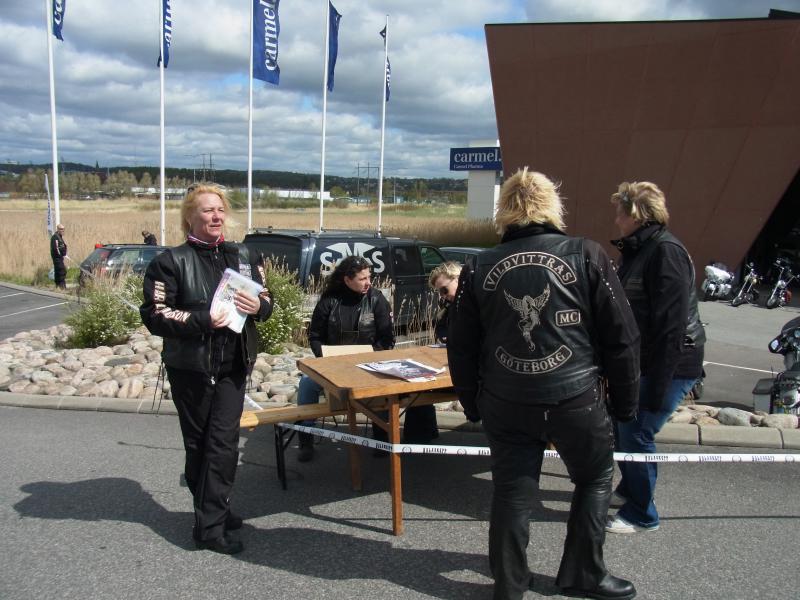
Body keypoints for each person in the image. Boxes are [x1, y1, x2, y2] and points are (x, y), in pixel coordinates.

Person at [448, 167, 641, 600]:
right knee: (594, 479)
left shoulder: (478, 265)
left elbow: (460, 345)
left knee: (512, 492)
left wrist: (472, 403)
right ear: (554, 205)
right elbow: (623, 337)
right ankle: (584, 575)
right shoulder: (587, 254)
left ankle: (509, 586)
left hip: (505, 399)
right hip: (575, 397)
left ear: (504, 211)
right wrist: (626, 404)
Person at [140, 183, 273, 555]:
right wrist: (202, 320)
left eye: (219, 210)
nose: (216, 216)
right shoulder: (170, 261)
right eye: (207, 210)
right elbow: (155, 314)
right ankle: (213, 515)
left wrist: (259, 306)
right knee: (199, 445)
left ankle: (211, 521)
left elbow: (267, 299)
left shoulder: (244, 254)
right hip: (192, 368)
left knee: (224, 443)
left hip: (234, 365)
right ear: (190, 216)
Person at [606, 181, 705, 535]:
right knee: (624, 430)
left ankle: (642, 514)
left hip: (669, 363)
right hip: (642, 362)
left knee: (636, 434)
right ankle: (630, 489)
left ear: (637, 216)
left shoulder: (666, 252)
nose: (616, 220)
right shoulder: (639, 250)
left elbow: (671, 327)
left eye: (620, 213)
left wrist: (658, 387)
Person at [296, 255, 438, 462]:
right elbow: (315, 336)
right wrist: (325, 359)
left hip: (370, 364)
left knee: (384, 386)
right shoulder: (329, 301)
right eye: (362, 278)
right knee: (307, 383)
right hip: (333, 365)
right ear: (347, 280)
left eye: (369, 277)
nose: (368, 282)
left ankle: (381, 436)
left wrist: (372, 357)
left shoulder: (376, 299)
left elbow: (387, 339)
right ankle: (305, 436)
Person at [428, 261, 461, 344]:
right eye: (439, 292)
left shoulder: (476, 299)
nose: (442, 295)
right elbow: (440, 325)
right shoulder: (449, 304)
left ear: (457, 279)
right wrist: (445, 336)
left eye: (444, 290)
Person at [50, 223, 68, 289]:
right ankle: (61, 286)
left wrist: (64, 253)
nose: (62, 230)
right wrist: (60, 255)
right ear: (57, 229)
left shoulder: (60, 237)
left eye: (63, 229)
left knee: (59, 271)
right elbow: (56, 248)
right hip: (57, 258)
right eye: (61, 229)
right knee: (62, 271)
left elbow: (62, 246)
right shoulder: (55, 237)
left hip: (60, 257)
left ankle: (58, 286)